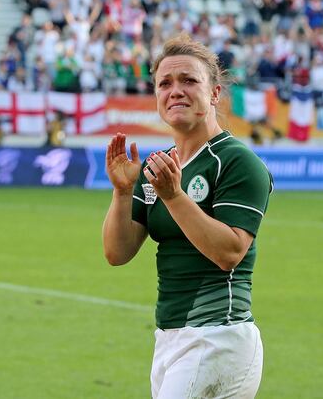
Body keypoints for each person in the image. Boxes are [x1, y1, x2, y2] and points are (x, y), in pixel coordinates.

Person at [101, 33, 272, 399]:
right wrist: (121, 192)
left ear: (213, 93)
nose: (175, 90)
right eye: (165, 83)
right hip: (169, 337)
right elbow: (117, 253)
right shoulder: (157, 165)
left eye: (189, 80)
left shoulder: (238, 163)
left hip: (217, 336)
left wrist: (174, 196)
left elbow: (229, 252)